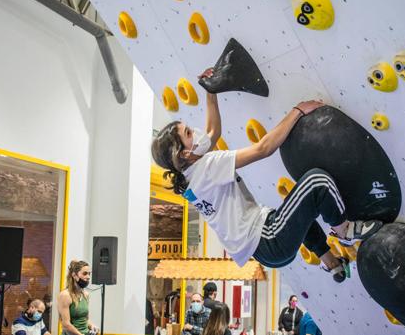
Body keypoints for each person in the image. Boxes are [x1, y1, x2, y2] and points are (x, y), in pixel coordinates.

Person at [151, 68, 383, 283]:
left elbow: (213, 132)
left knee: (297, 210)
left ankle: (331, 263)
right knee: (316, 182)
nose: (196, 132)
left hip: (263, 250)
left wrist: (210, 92)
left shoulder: (189, 176)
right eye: (189, 133)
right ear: (183, 153)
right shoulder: (207, 166)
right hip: (267, 239)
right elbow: (263, 148)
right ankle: (345, 231)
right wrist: (298, 111)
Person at [58, 260, 99, 335]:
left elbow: (85, 320)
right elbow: (66, 324)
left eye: (89, 274)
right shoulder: (65, 295)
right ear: (74, 275)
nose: (88, 277)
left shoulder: (86, 294)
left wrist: (92, 326)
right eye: (85, 273)